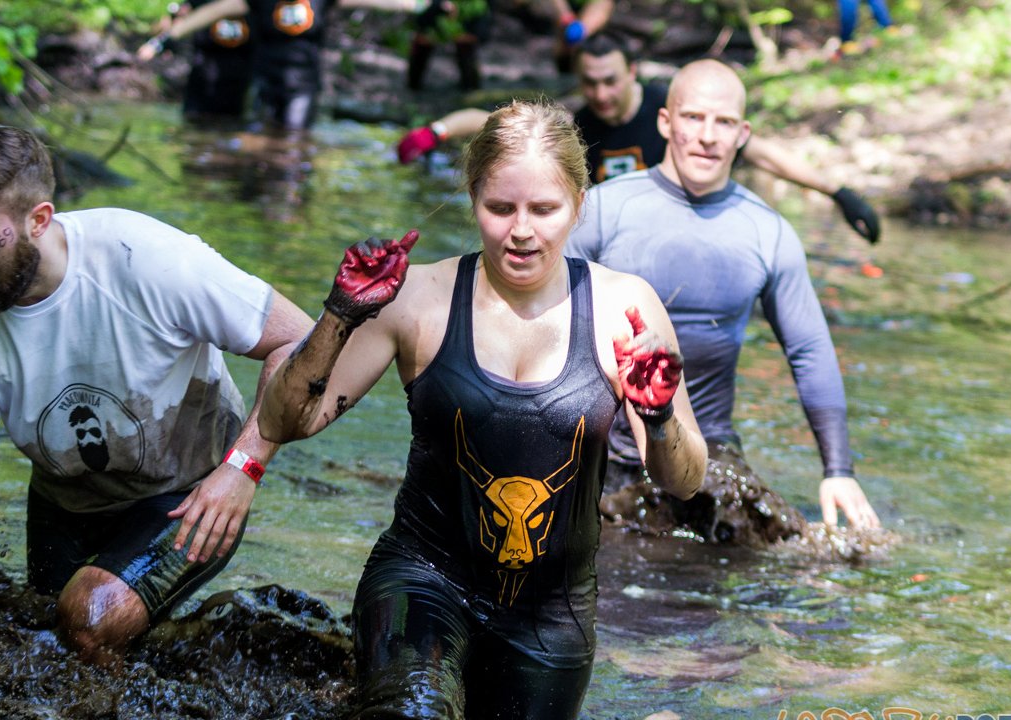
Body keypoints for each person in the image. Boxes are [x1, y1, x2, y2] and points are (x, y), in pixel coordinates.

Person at [258, 100, 707, 717]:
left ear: (579, 203)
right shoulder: (417, 296)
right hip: (422, 578)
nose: (521, 230)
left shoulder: (624, 308)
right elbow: (286, 422)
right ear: (473, 200)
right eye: (500, 208)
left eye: (544, 210)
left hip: (552, 616)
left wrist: (658, 417)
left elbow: (684, 481)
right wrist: (339, 314)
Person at [0, 122, 313, 665]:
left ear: (38, 220)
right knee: (40, 652)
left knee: (90, 621)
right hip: (65, 501)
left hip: (190, 494)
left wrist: (243, 468)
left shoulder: (143, 257)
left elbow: (302, 342)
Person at [567, 59, 882, 531]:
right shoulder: (601, 210)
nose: (708, 136)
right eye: (693, 118)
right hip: (601, 451)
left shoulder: (768, 232)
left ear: (742, 134)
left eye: (725, 122)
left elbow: (809, 350)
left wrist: (838, 472)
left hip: (708, 454)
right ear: (665, 122)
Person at [397, 31, 882, 244]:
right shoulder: (579, 121)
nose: (602, 94)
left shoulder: (668, 111)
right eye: (591, 83)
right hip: (614, 242)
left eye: (611, 81)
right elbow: (495, 123)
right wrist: (433, 131)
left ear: (632, 72)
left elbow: (761, 153)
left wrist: (838, 193)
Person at [138, 0, 417, 131]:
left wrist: (424, 6)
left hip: (302, 86)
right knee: (257, 141)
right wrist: (162, 40)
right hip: (264, 81)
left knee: (292, 142)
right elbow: (212, 12)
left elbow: (386, 1)